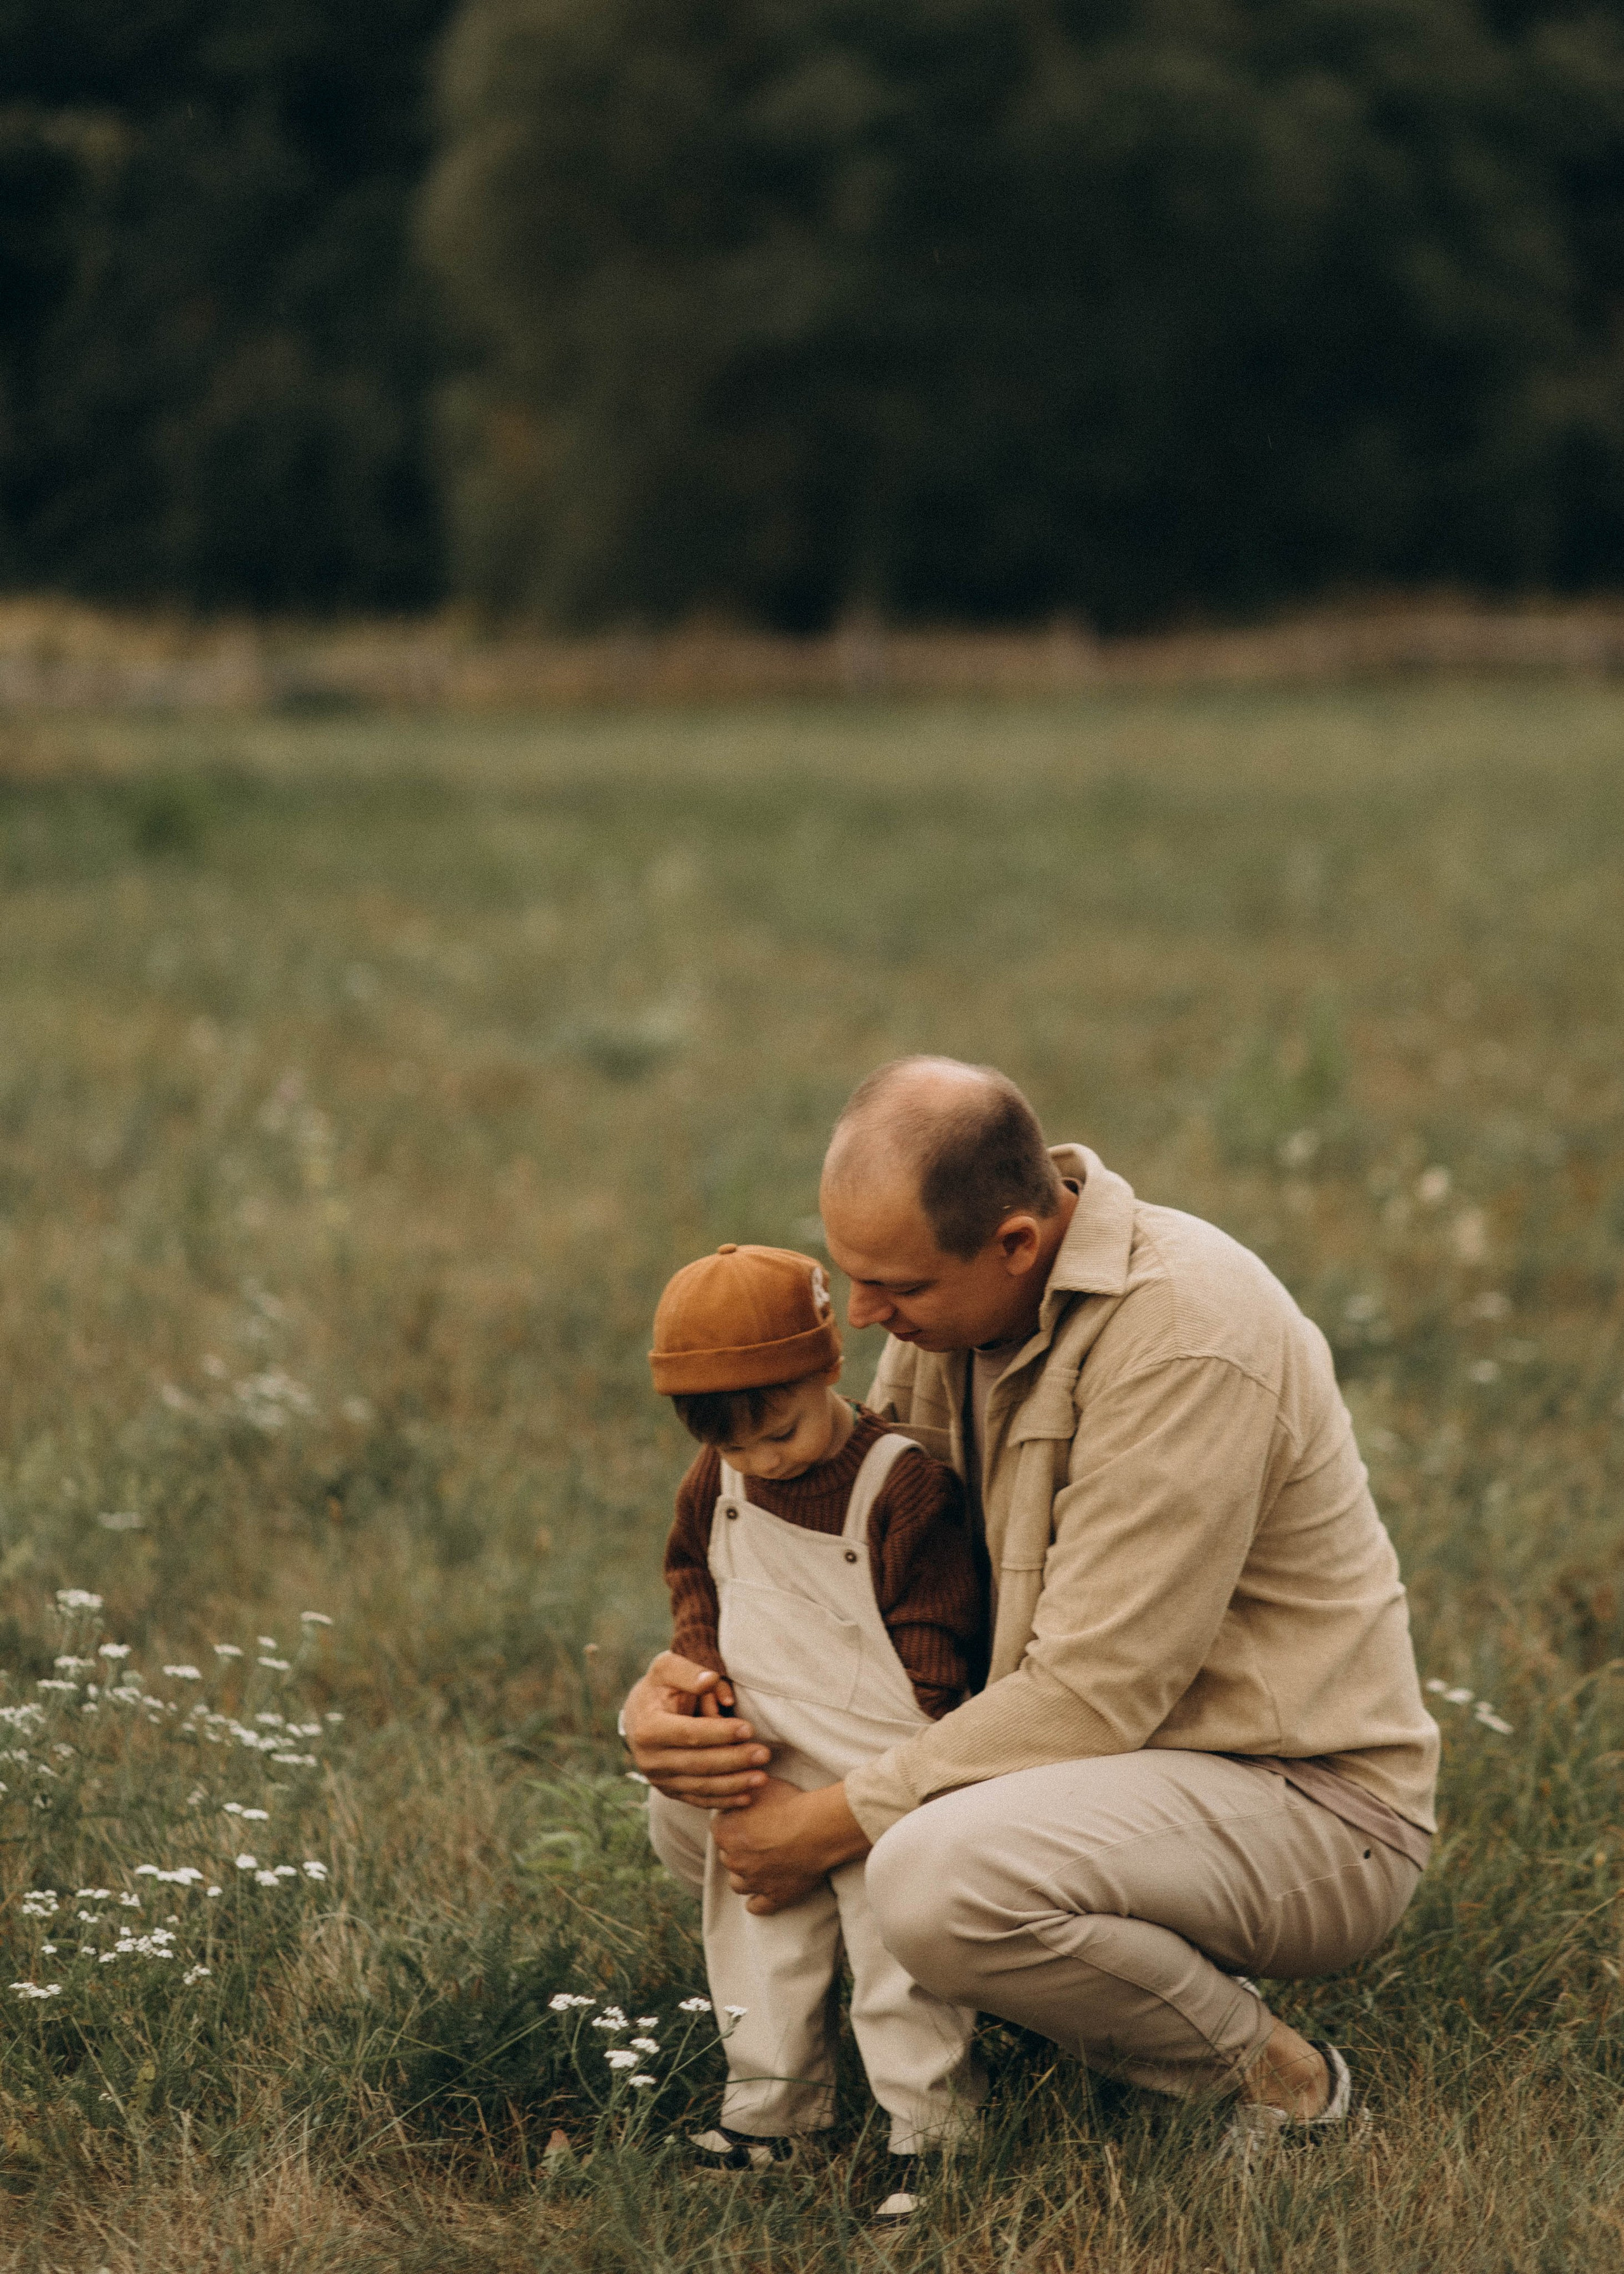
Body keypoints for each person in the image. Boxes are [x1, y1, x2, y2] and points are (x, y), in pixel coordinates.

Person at [624, 1058, 1439, 2150]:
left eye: (899, 1288)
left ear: (1016, 1242)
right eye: (852, 1279)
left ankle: (1287, 2087)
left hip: (1304, 1802)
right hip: (1096, 1784)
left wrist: (829, 1820)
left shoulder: (1188, 1333)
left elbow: (1097, 1695)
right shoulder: (956, 1320)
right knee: (708, 1807)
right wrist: (673, 1702)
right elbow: (864, 1564)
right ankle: (1006, 1993)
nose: (864, 1318)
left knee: (927, 1875)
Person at [643, 1239, 986, 2218]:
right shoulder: (718, 1479)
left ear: (825, 1366)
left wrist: (927, 1701)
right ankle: (774, 2112)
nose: (761, 1460)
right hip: (766, 1741)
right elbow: (694, 1581)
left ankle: (933, 2134)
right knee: (757, 1928)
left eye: (781, 1432)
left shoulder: (900, 1480)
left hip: (882, 1753)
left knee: (896, 1952)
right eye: (735, 1447)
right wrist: (701, 1672)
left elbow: (935, 1608)